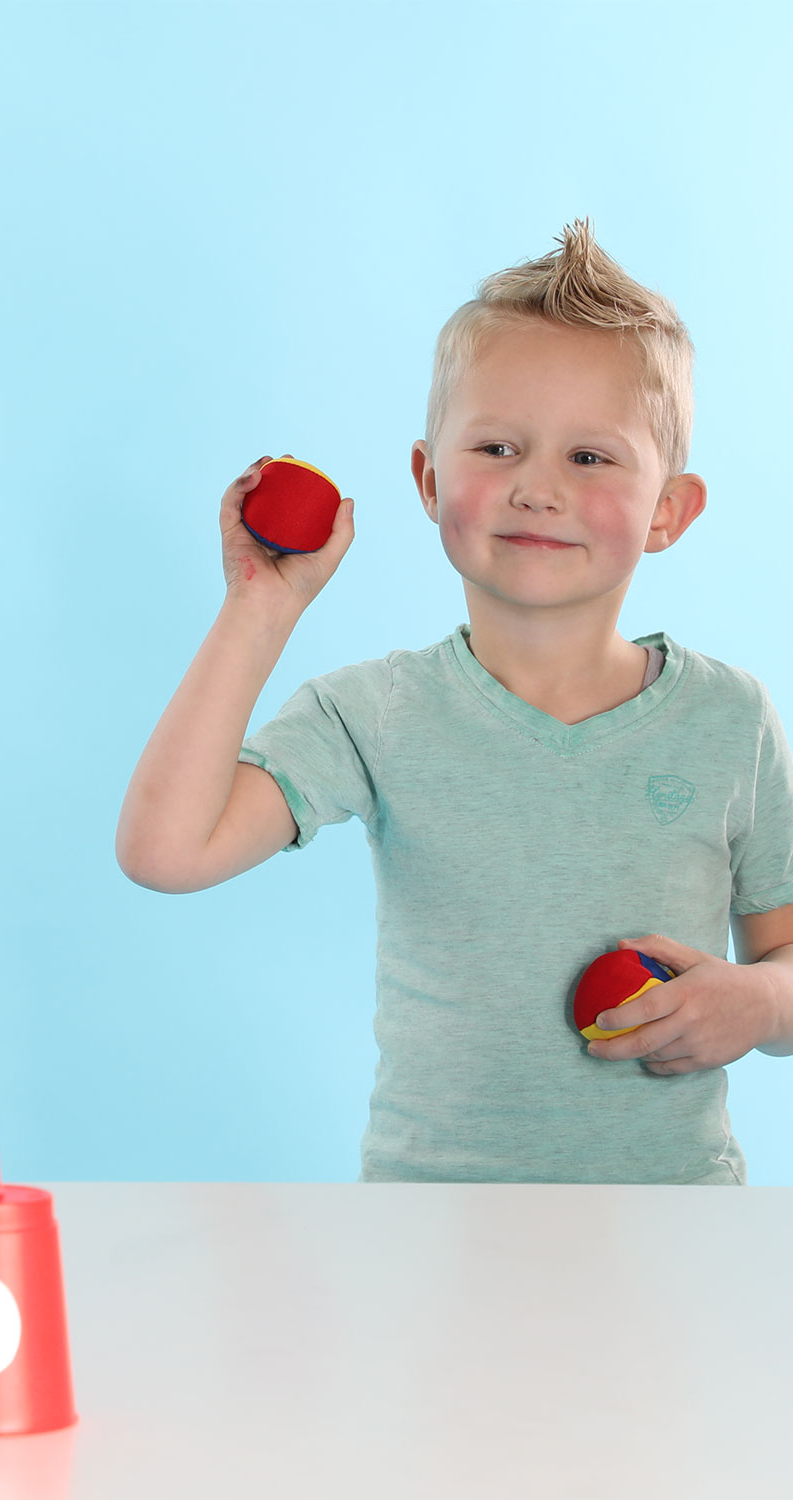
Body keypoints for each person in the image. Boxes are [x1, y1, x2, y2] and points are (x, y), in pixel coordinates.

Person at [115, 217, 793, 1184]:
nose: (536, 489)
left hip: (674, 1227)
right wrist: (259, 613)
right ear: (430, 482)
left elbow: (785, 957)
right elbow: (164, 854)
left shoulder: (731, 721)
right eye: (499, 447)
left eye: (589, 459)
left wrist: (760, 1005)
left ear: (669, 511)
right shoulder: (374, 714)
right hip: (428, 1234)